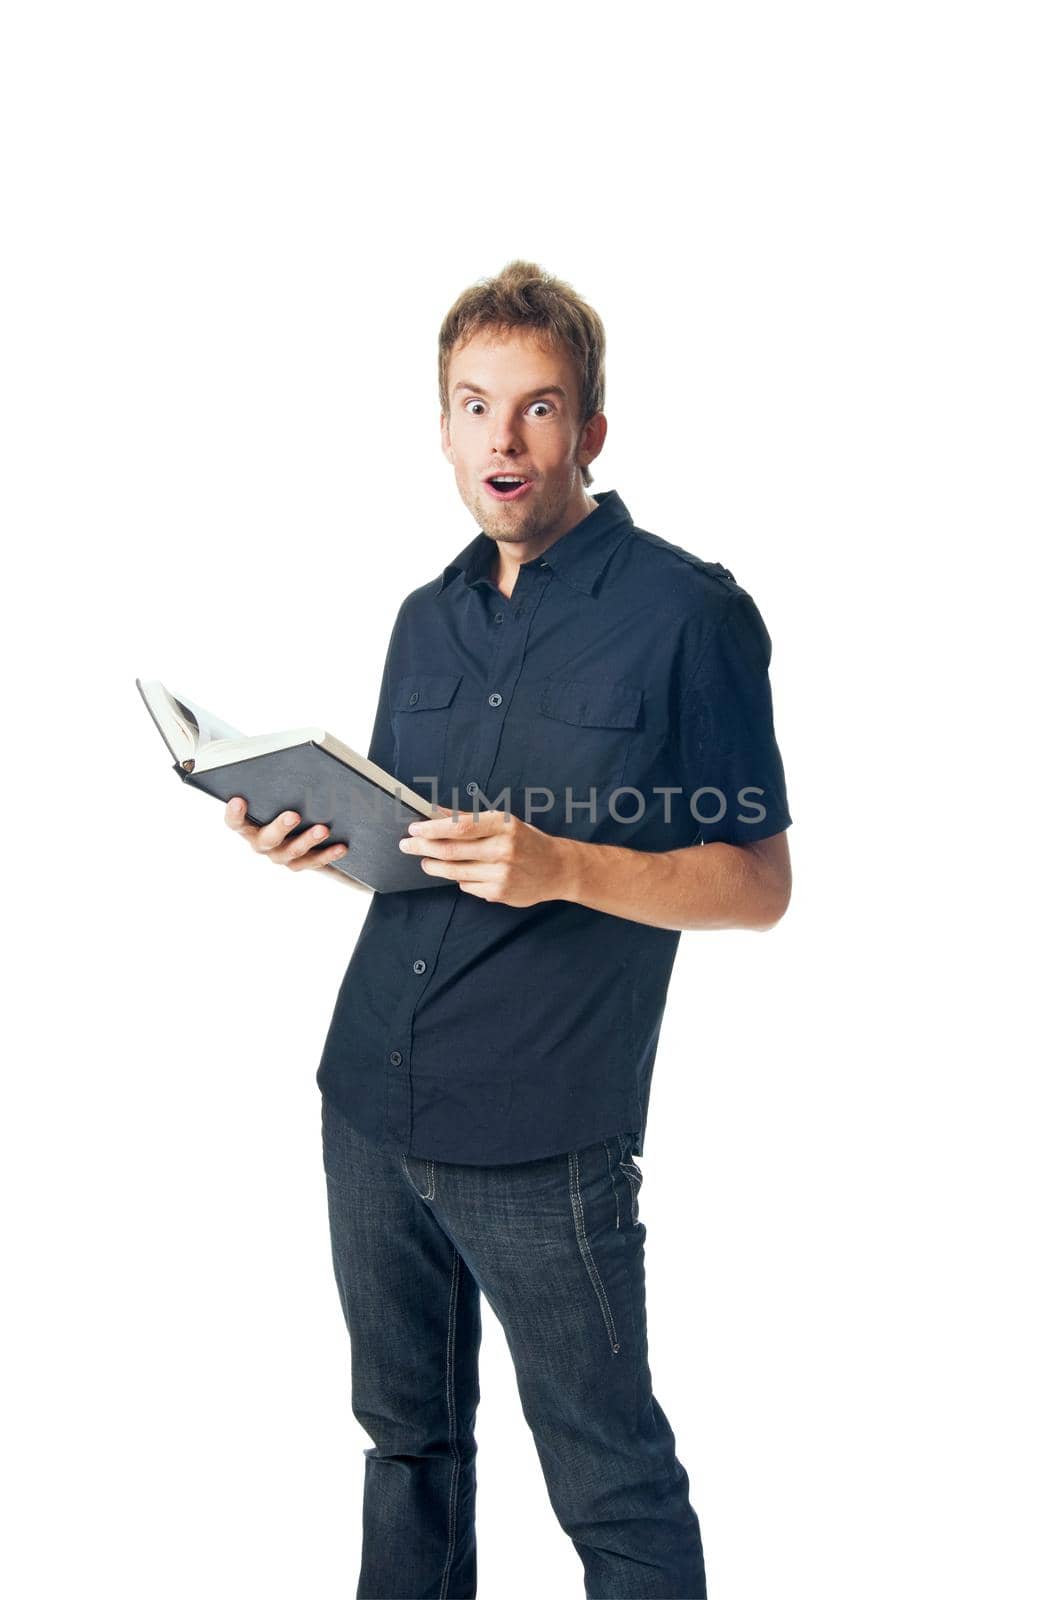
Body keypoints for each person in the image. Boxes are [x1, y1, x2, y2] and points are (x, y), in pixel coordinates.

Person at [224, 260, 792, 1599]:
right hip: (370, 1099)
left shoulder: (688, 616)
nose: (503, 437)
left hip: (543, 1137)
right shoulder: (428, 620)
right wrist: (320, 842)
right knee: (407, 1448)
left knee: (614, 1490)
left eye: (537, 409)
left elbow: (759, 884)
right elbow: (429, 857)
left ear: (590, 430)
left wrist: (566, 867)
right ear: (441, 427)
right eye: (474, 405)